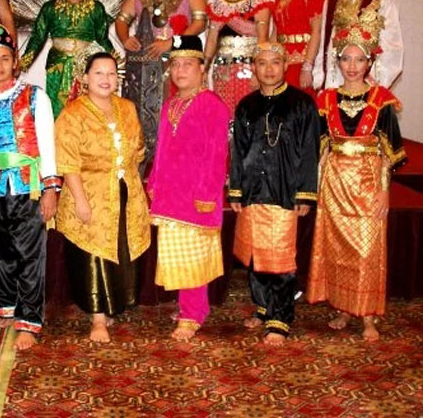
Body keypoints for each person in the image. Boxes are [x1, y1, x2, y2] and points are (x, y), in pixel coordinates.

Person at [307, 22, 407, 341]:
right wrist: (316, 188)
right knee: (337, 250)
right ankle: (342, 307)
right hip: (334, 185)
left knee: (366, 251)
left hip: (367, 183)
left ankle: (367, 316)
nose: (352, 66)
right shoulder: (326, 100)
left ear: (369, 62)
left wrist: (384, 192)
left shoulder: (382, 100)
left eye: (359, 59)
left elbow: (390, 152)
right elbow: (320, 148)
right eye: (346, 59)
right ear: (338, 61)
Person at [0, 25, 59, 351]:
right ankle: (7, 306)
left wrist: (50, 189)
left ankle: (29, 320)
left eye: (5, 58)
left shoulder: (35, 97)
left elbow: (47, 144)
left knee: (30, 255)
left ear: (15, 62)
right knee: (1, 252)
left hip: (29, 187)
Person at [55, 52, 150, 343]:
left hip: (125, 191)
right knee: (93, 252)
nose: (106, 79)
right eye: (99, 73)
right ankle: (97, 318)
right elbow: (67, 161)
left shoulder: (127, 108)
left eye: (111, 73)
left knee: (121, 248)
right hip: (87, 191)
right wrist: (80, 200)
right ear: (85, 78)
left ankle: (113, 306)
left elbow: (138, 150)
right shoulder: (73, 113)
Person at [229, 42, 319, 347]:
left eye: (275, 62)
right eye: (262, 63)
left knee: (279, 258)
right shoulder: (247, 105)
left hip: (284, 191)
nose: (269, 69)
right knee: (255, 256)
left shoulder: (302, 104)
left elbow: (310, 151)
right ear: (254, 67)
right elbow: (239, 150)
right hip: (253, 191)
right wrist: (236, 190)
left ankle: (280, 319)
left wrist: (305, 194)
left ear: (285, 66)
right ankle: (262, 307)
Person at [147, 36, 230, 340]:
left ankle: (193, 314)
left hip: (197, 196)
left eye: (187, 64)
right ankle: (190, 306)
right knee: (177, 253)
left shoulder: (213, 105)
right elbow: (161, 149)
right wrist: (154, 181)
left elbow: (217, 155)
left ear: (201, 68)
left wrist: (207, 194)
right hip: (170, 193)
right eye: (175, 65)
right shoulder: (171, 104)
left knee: (194, 256)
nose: (180, 70)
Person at [115, 0, 208, 167]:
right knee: (140, 122)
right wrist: (125, 39)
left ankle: (175, 170)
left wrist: (172, 43)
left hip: (177, 64)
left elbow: (200, 21)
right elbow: (122, 19)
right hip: (143, 67)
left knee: (176, 121)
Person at [19, 0, 116, 118]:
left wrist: (115, 64)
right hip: (57, 67)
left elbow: (103, 39)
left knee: (87, 113)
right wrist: (21, 64)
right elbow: (37, 38)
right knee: (57, 112)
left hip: (86, 69)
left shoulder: (96, 8)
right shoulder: (49, 8)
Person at [205, 0, 271, 113]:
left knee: (248, 114)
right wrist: (204, 68)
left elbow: (263, 40)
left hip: (248, 69)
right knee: (224, 115)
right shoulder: (217, 4)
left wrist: (258, 72)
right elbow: (212, 40)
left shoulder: (258, 2)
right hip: (222, 70)